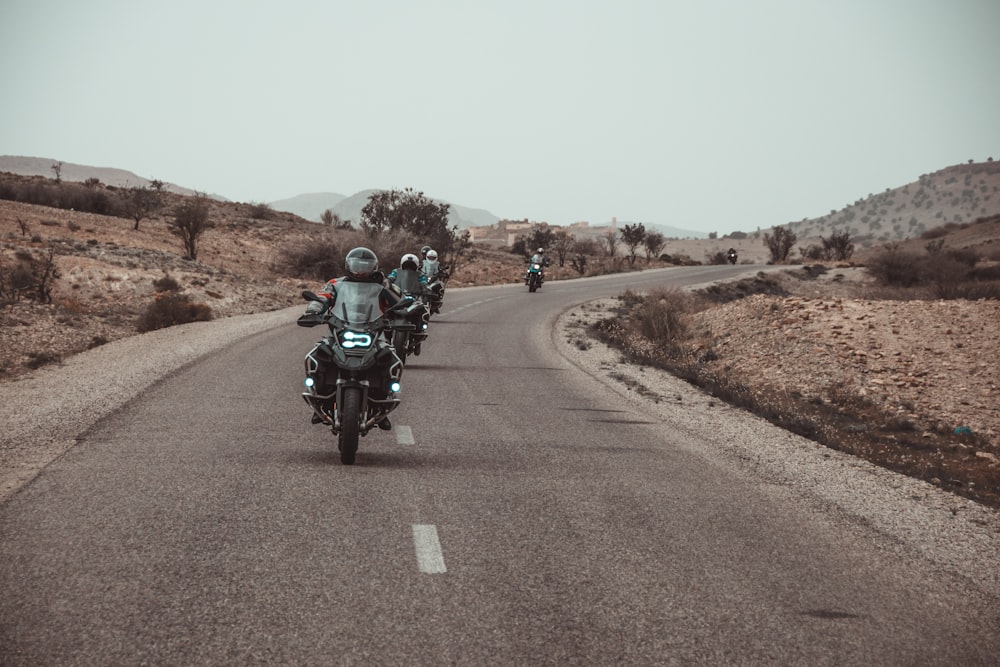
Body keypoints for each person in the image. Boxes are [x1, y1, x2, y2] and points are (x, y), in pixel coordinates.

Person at [297, 247, 404, 429]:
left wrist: (402, 307)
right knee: (317, 354)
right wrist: (313, 311)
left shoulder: (382, 285)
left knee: (390, 359)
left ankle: (381, 404)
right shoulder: (336, 284)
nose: (360, 270)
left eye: (365, 266)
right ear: (348, 265)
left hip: (372, 332)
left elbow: (400, 300)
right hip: (341, 330)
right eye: (357, 265)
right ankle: (319, 403)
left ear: (374, 267)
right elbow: (323, 297)